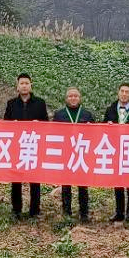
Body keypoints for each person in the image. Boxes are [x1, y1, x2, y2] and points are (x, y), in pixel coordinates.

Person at [4, 73, 49, 219]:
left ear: (31, 85)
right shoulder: (11, 104)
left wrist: (39, 125)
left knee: (35, 179)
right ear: (17, 86)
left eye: (27, 83)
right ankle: (16, 210)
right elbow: (5, 124)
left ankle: (34, 210)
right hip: (17, 146)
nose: (24, 85)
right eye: (21, 83)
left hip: (33, 145)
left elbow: (47, 124)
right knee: (16, 179)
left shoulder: (40, 103)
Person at [52, 87, 94, 222]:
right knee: (66, 184)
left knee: (83, 185)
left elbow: (95, 134)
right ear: (66, 99)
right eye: (70, 96)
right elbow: (54, 134)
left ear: (80, 98)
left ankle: (84, 213)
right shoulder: (59, 114)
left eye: (75, 96)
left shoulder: (87, 115)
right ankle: (67, 212)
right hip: (66, 153)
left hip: (82, 153)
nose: (73, 98)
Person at [103, 83, 129, 222]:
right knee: (118, 181)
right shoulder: (110, 109)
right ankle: (119, 212)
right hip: (115, 149)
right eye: (122, 91)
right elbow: (103, 128)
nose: (124, 94)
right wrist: (107, 126)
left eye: (127, 92)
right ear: (118, 93)